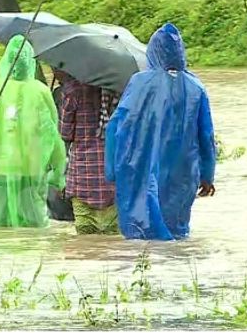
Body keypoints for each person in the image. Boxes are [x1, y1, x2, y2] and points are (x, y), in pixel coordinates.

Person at [104, 22, 216, 240]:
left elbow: (115, 127)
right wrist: (207, 175)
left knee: (139, 231)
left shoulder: (138, 83)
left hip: (139, 169)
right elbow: (207, 137)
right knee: (177, 233)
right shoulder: (196, 87)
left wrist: (112, 170)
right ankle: (175, 270)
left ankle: (145, 272)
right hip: (182, 174)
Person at [0, 35, 67, 228]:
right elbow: (52, 134)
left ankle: (3, 256)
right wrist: (58, 171)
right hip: (31, 170)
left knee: (2, 227)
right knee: (34, 227)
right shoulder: (40, 91)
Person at [59, 70, 120, 235]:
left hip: (82, 179)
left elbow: (65, 133)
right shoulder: (122, 90)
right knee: (113, 240)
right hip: (113, 179)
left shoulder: (73, 91)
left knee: (84, 240)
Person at [46, 69, 75, 222]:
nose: (54, 71)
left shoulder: (64, 94)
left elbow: (63, 131)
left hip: (65, 155)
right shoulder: (58, 93)